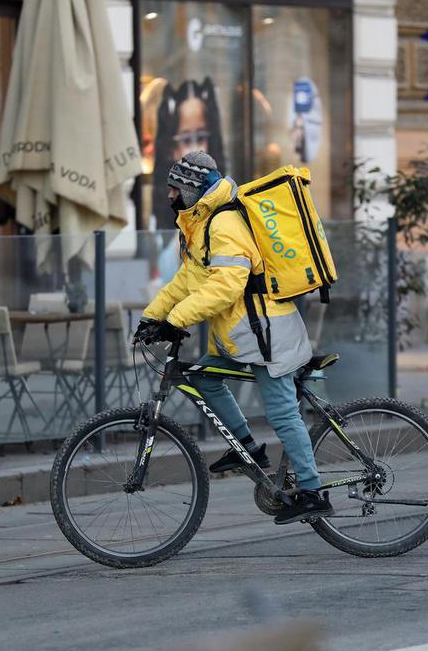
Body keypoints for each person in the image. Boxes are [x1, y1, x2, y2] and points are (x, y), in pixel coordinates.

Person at [134, 151, 334, 525]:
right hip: (245, 337)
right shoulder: (200, 225)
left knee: (282, 412)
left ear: (193, 189)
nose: (170, 197)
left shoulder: (224, 225)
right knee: (203, 376)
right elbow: (187, 281)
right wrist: (152, 317)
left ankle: (311, 491)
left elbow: (226, 286)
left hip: (267, 335)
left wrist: (176, 320)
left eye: (175, 189)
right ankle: (248, 449)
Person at [151, 78, 226, 232]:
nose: (195, 148)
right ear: (173, 149)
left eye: (201, 137)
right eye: (186, 140)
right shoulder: (166, 205)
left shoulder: (223, 195)